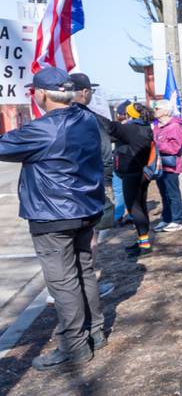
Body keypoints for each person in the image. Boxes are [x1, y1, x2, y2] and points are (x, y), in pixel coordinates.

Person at [0, 67, 104, 371]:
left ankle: (75, 347)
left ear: (41, 94)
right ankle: (95, 333)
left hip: (53, 216)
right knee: (84, 273)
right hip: (85, 210)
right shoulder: (86, 119)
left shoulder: (43, 128)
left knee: (63, 282)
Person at [70, 72, 115, 300]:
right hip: (89, 188)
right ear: (85, 92)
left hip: (62, 195)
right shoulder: (89, 119)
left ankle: (70, 290)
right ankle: (89, 286)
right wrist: (105, 181)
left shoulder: (55, 116)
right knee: (90, 238)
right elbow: (106, 154)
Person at [108, 102, 155, 257]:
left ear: (130, 115)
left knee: (134, 207)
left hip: (133, 173)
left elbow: (111, 128)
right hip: (143, 172)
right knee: (140, 205)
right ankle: (143, 240)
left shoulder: (131, 129)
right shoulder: (144, 127)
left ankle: (144, 242)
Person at [152, 100, 182, 232]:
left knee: (173, 194)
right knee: (164, 194)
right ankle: (166, 219)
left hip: (170, 166)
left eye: (157, 108)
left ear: (166, 111)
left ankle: (177, 220)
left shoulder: (174, 126)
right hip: (159, 166)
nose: (155, 110)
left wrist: (156, 145)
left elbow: (175, 147)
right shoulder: (157, 126)